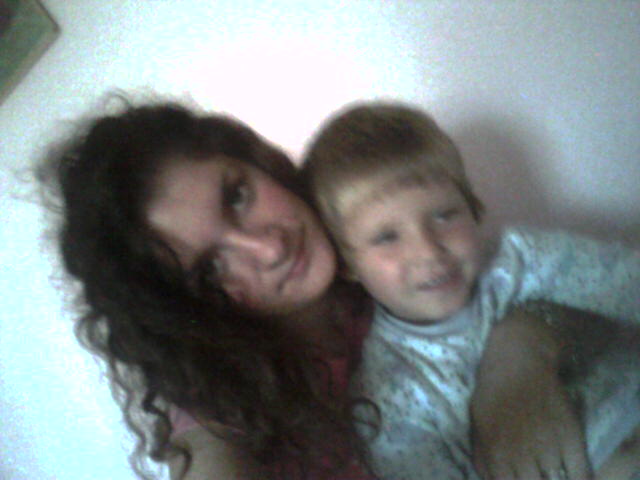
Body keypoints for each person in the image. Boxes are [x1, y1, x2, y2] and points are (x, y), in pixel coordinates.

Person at [38, 98, 593, 480]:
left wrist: (519, 353)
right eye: (211, 269)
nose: (268, 248)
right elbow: (209, 454)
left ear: (259, 162)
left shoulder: (379, 246)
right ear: (187, 310)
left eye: (237, 196)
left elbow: (550, 286)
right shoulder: (223, 410)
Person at [303, 101, 640, 479]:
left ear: (473, 209)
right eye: (387, 237)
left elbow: (630, 283)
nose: (429, 251)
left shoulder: (525, 261)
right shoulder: (388, 398)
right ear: (347, 263)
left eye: (444, 215)